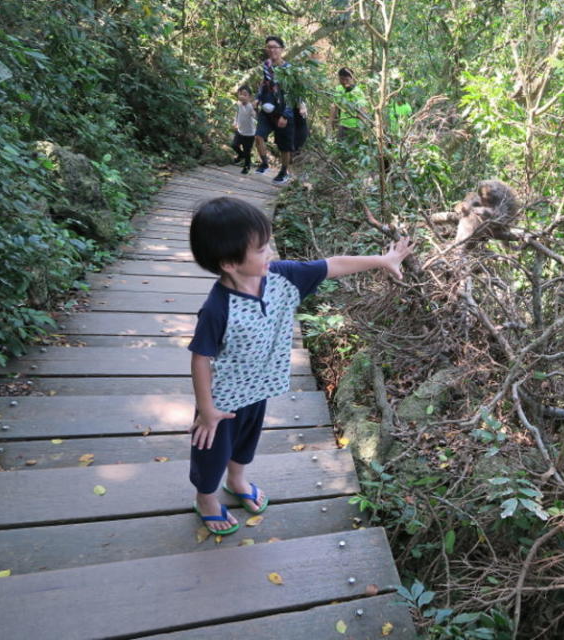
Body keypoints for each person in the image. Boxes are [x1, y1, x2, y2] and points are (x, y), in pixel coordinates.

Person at [187, 197, 412, 533]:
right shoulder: (217, 308)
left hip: (259, 389)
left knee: (246, 442)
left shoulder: (282, 277)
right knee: (211, 452)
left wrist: (384, 260)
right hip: (222, 401)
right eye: (261, 250)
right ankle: (206, 498)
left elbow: (332, 264)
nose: (270, 254)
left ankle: (236, 480)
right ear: (230, 263)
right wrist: (206, 410)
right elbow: (200, 358)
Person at [253, 36, 298, 185]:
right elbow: (263, 83)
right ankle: (264, 163)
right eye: (268, 47)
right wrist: (258, 98)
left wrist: (286, 115)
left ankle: (284, 171)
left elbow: (293, 94)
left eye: (274, 47)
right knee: (259, 136)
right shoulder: (266, 65)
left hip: (283, 111)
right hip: (267, 110)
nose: (271, 50)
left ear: (281, 49)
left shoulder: (289, 70)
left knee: (284, 146)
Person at [330, 67, 369, 149]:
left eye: (347, 80)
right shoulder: (339, 89)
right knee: (340, 148)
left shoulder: (358, 93)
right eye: (342, 79)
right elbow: (335, 106)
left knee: (353, 151)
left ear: (352, 79)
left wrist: (361, 128)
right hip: (342, 125)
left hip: (354, 128)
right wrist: (332, 120)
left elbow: (363, 111)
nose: (344, 82)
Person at [230, 85, 256, 174]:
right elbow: (236, 114)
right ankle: (241, 155)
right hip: (240, 131)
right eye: (240, 94)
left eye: (245, 95)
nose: (242, 97)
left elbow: (254, 115)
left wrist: (254, 111)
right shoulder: (238, 104)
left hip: (250, 134)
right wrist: (235, 122)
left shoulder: (251, 106)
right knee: (234, 145)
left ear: (250, 97)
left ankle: (247, 166)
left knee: (247, 151)